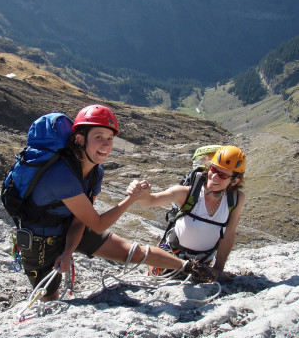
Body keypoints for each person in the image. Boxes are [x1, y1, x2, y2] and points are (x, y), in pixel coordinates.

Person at [20, 104, 216, 302]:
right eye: (98, 137)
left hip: (68, 227)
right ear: (80, 139)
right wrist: (131, 198)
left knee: (135, 252)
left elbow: (80, 221)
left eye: (110, 138)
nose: (106, 145)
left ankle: (188, 267)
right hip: (40, 240)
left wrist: (68, 251)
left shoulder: (95, 172)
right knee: (48, 301)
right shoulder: (62, 176)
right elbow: (97, 224)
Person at [128, 145, 246, 282]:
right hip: (169, 259)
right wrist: (141, 194)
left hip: (202, 265)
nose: (214, 177)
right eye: (213, 169)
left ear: (235, 181)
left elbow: (229, 234)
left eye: (222, 175)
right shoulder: (186, 193)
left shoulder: (236, 199)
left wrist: (219, 269)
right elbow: (148, 202)